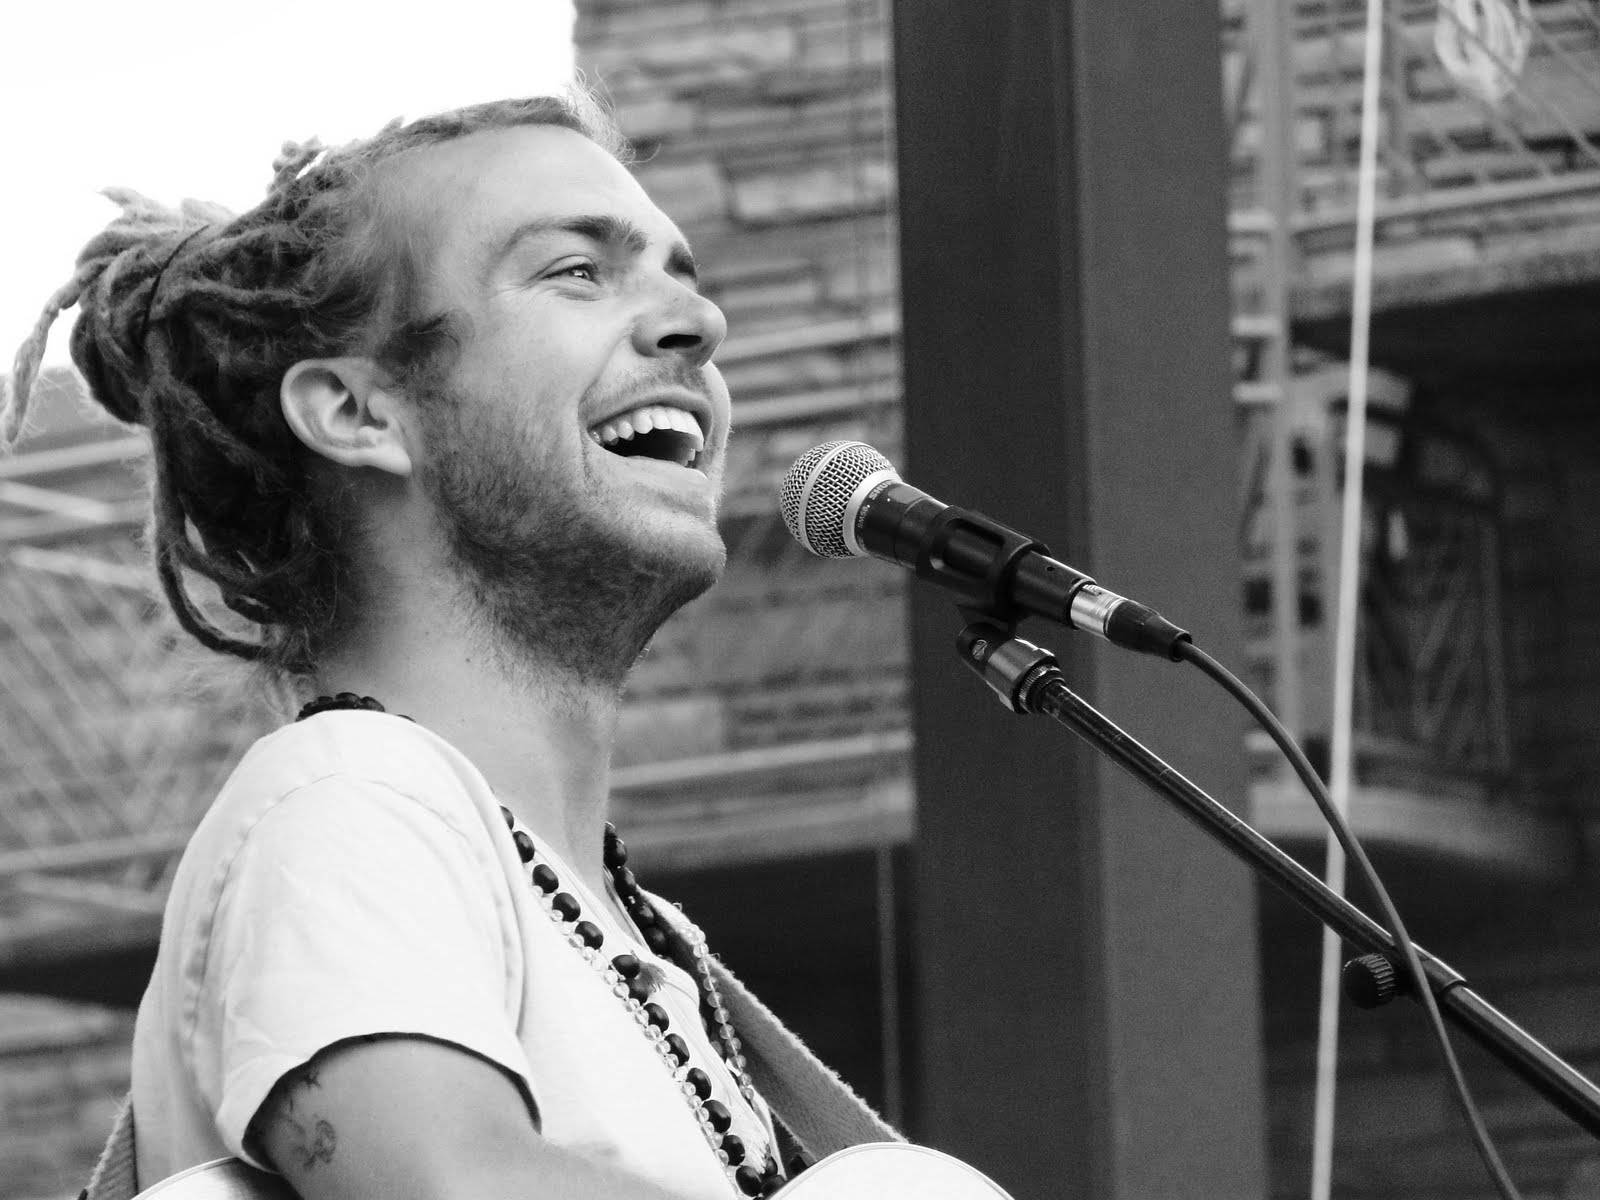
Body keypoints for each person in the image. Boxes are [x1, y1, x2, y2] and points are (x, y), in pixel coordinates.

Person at [1, 94, 894, 1200]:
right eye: (577, 271)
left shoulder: (628, 929)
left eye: (682, 273)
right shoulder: (346, 799)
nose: (697, 322)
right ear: (357, 414)